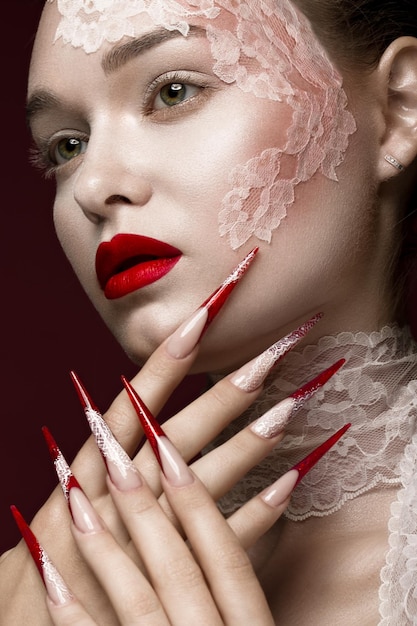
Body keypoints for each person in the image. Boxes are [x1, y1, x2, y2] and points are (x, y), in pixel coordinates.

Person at [1, 0, 417, 623]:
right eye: (66, 145)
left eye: (172, 92)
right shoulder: (25, 596)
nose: (91, 185)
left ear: (397, 113)